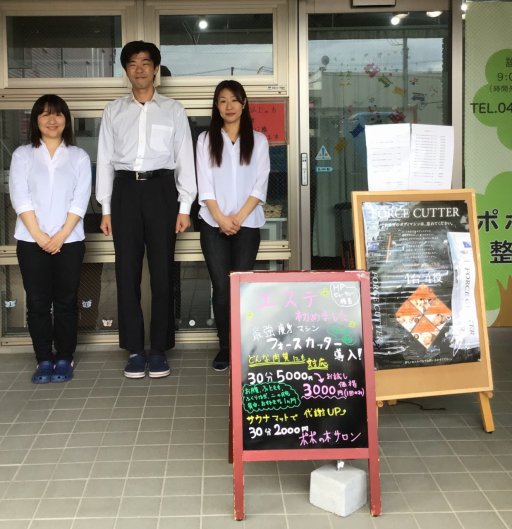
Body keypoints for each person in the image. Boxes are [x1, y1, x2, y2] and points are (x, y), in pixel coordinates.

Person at [96, 41, 196, 379]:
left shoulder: (173, 110)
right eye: (133, 64)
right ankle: (135, 350)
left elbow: (185, 160)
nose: (139, 69)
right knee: (126, 273)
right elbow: (105, 161)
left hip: (162, 190)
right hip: (124, 190)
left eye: (146, 62)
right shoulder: (113, 111)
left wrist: (184, 206)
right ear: (126, 71)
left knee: (163, 272)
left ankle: (159, 349)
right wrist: (106, 208)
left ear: (155, 68)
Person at [9, 94, 92, 384]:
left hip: (69, 241)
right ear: (35, 120)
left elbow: (80, 200)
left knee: (67, 301)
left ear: (66, 119)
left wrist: (60, 236)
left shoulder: (79, 157)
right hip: (31, 241)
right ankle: (44, 358)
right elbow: (21, 198)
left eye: (57, 114)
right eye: (45, 114)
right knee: (38, 302)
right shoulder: (22, 155)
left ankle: (65, 357)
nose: (52, 119)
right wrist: (40, 236)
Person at [196, 80, 270, 371]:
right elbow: (206, 185)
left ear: (244, 103)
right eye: (222, 100)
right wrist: (221, 218)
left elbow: (260, 184)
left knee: (243, 288)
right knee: (222, 287)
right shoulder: (205, 140)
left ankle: (245, 346)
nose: (229, 106)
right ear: (216, 106)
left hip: (247, 225)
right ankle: (225, 347)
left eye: (234, 100)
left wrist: (238, 217)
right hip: (212, 224)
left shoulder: (259, 140)